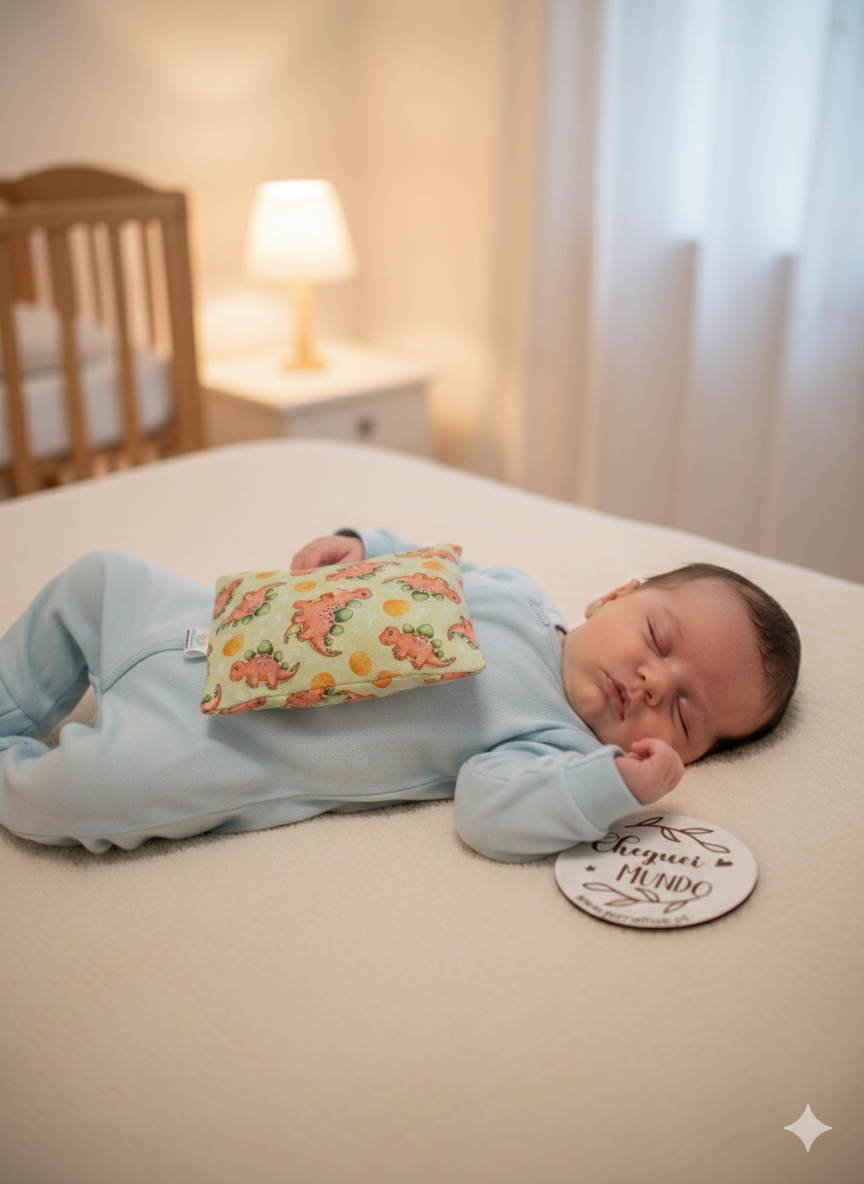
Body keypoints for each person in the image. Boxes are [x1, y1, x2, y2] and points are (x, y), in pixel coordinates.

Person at [0, 527, 799, 859]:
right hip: (199, 619)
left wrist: (608, 788)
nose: (655, 682)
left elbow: (488, 815)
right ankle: (14, 699)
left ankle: (13, 766)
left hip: (224, 740)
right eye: (659, 641)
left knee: (89, 794)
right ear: (613, 595)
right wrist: (361, 546)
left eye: (686, 715)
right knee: (99, 578)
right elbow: (423, 563)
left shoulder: (552, 748)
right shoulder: (520, 594)